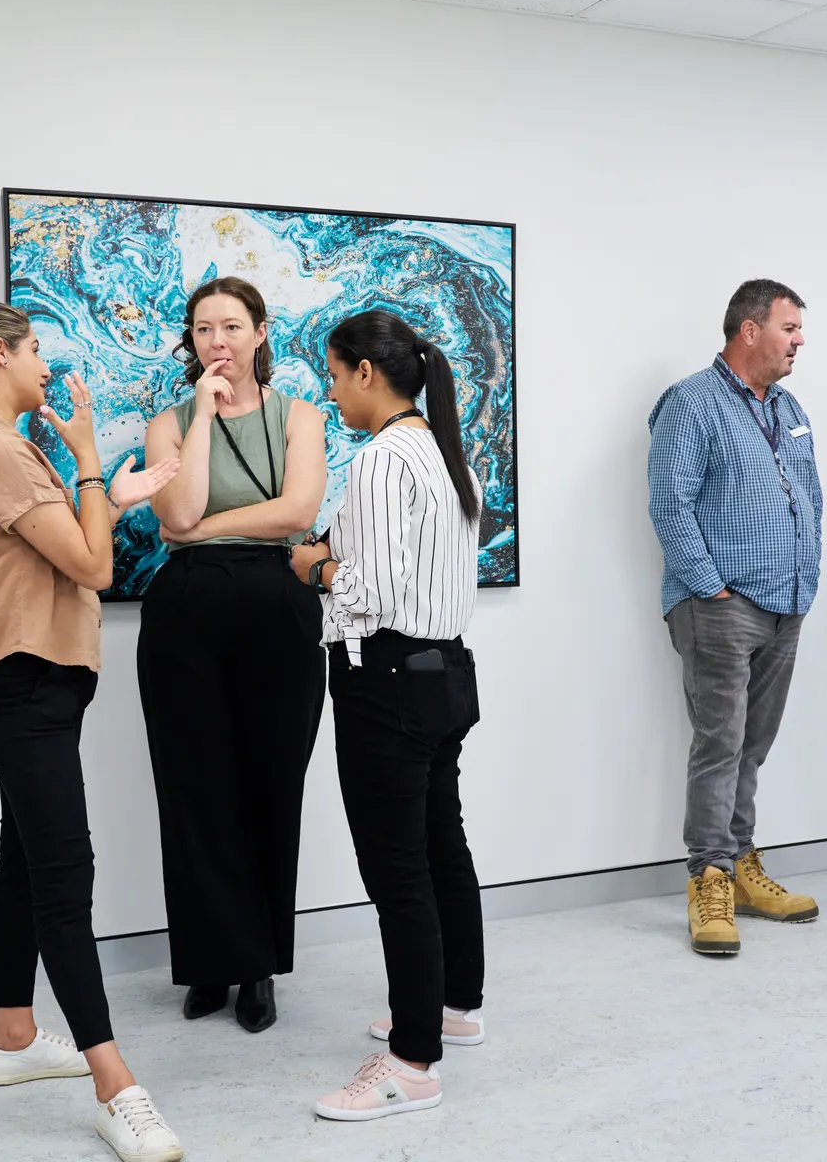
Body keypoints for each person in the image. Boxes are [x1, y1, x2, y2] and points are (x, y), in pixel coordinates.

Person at [0, 299, 185, 1162]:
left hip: (25, 680)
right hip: (20, 683)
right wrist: (93, 465)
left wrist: (110, 496)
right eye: (33, 348)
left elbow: (59, 545)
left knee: (27, 857)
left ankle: (14, 1035)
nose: (44, 364)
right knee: (66, 871)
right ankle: (116, 1086)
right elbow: (94, 565)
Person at [288, 310, 485, 1123]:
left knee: (398, 872)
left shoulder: (378, 460)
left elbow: (369, 592)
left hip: (387, 682)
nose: (332, 394)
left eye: (335, 376)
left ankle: (411, 1064)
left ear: (367, 373)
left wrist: (315, 565)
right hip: (445, 673)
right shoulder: (445, 452)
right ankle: (454, 1007)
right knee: (441, 847)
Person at [138, 276, 329, 1034]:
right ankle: (209, 963)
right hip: (184, 609)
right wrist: (203, 418)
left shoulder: (300, 417)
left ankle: (259, 967)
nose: (216, 341)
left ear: (260, 332)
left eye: (231, 326)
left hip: (276, 604)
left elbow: (299, 512)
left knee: (270, 786)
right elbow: (178, 508)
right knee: (195, 790)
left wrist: (202, 529)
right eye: (203, 329)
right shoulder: (168, 424)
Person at [646, 278, 824, 958]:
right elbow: (670, 502)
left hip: (787, 601)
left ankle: (742, 864)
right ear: (749, 330)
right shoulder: (691, 401)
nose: (799, 340)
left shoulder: (788, 406)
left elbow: (809, 493)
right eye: (789, 327)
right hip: (721, 607)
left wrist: (808, 575)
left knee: (753, 745)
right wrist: (710, 587)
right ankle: (710, 879)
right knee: (720, 746)